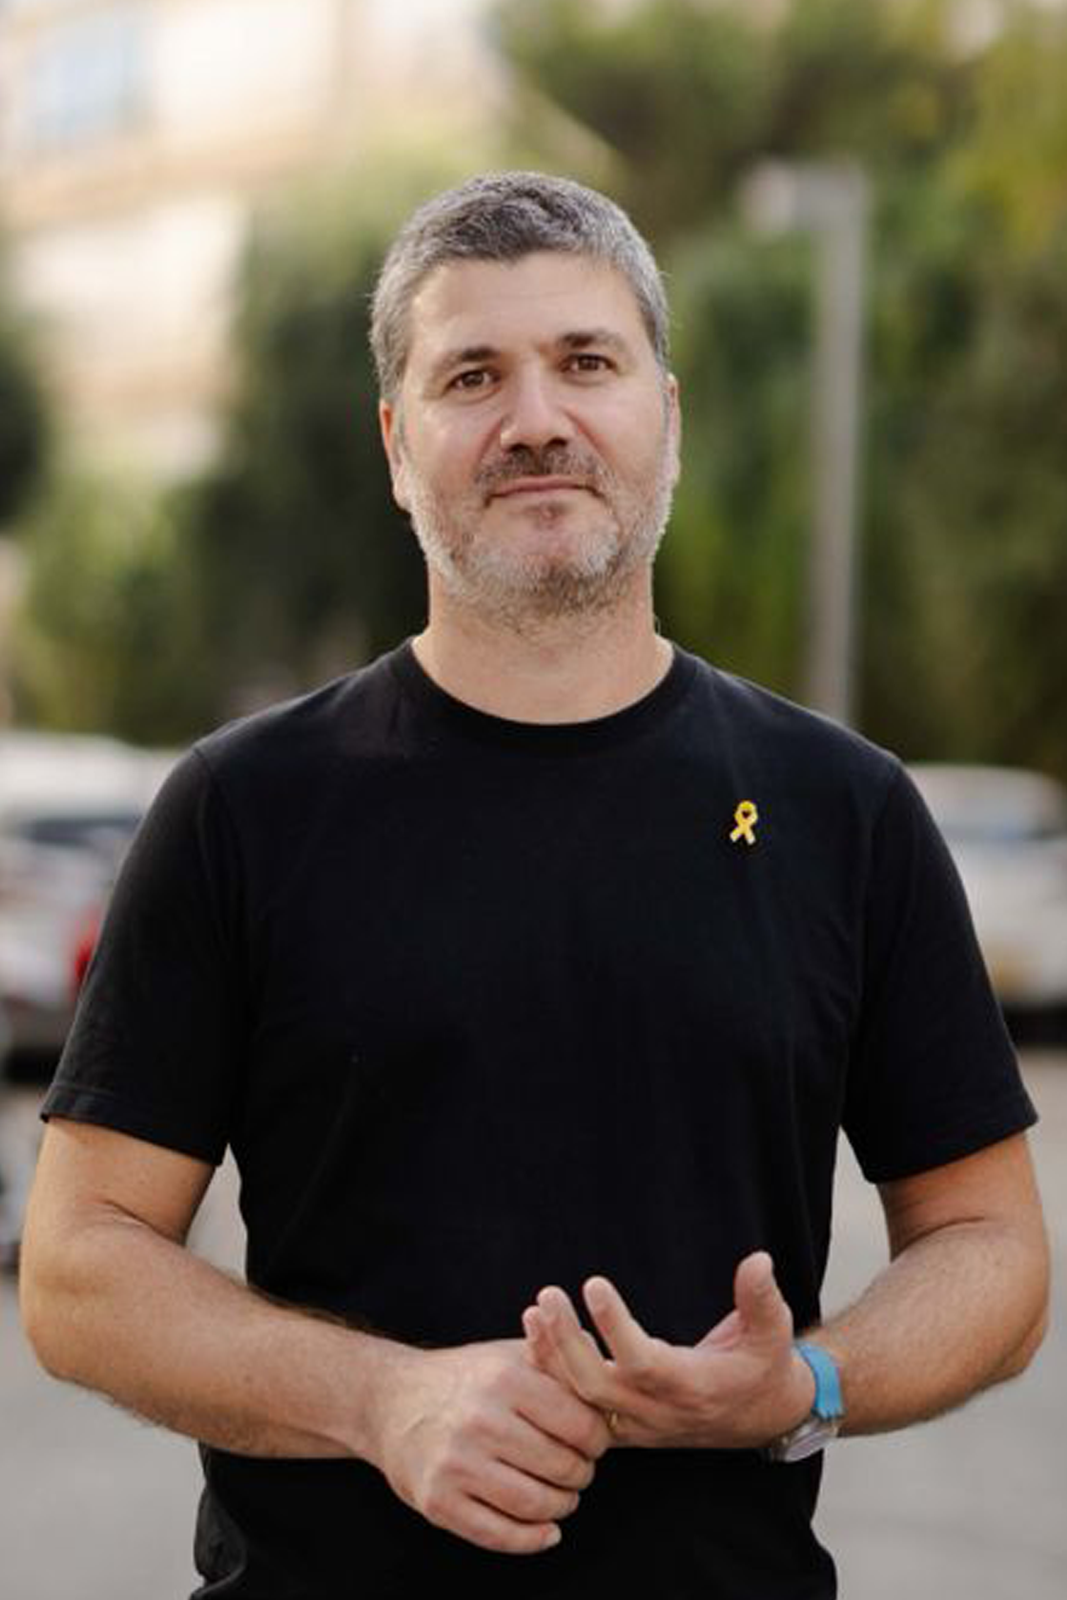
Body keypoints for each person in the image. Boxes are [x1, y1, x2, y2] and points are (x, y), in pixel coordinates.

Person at [19, 172, 1048, 1598]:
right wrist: (382, 1401)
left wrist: (807, 1383)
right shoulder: (243, 809)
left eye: (585, 362)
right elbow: (79, 1267)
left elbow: (992, 1247)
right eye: (471, 377)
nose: (536, 420)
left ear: (665, 417)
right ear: (398, 445)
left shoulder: (846, 810)